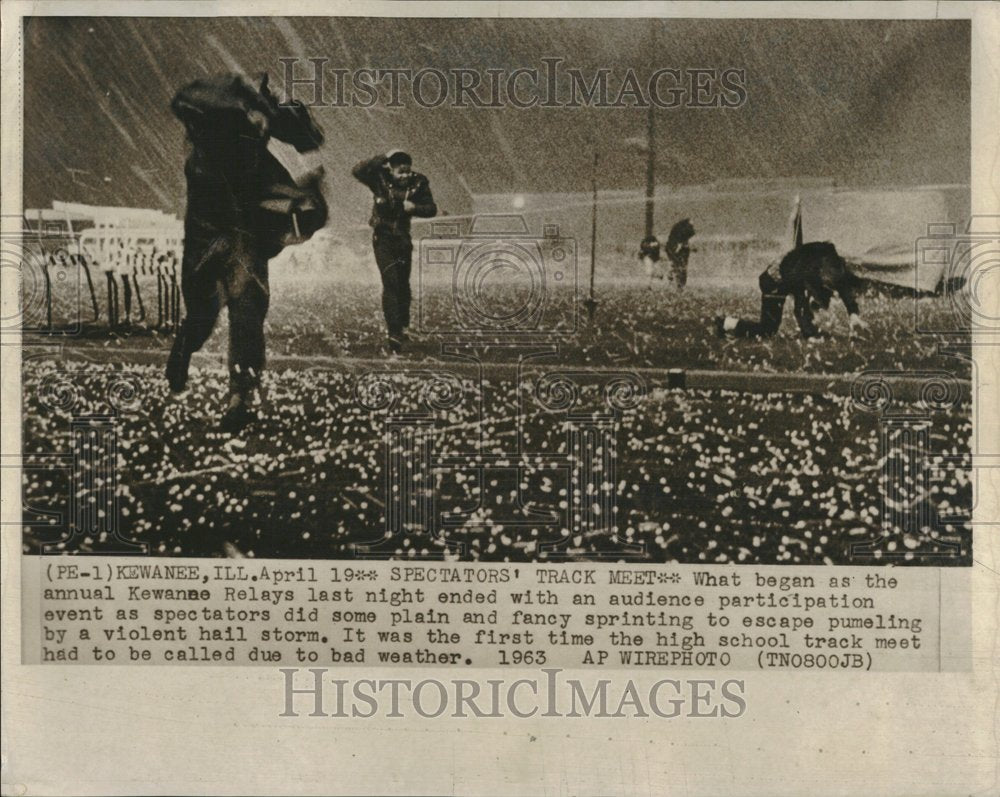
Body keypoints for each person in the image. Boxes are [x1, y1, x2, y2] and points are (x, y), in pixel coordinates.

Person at [165, 72, 327, 432]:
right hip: (207, 235)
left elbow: (309, 137)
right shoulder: (212, 130)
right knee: (203, 314)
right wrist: (245, 100)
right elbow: (186, 98)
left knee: (248, 312)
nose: (259, 126)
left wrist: (272, 107)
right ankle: (186, 345)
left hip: (243, 236)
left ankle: (241, 396)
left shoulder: (256, 151)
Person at [352, 150, 437, 353]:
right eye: (401, 171)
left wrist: (414, 208)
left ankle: (403, 324)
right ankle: (394, 332)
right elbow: (357, 170)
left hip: (403, 238)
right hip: (383, 238)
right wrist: (381, 157)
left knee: (402, 284)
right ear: (391, 169)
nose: (405, 175)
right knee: (390, 282)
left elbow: (431, 208)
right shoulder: (379, 179)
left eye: (408, 171)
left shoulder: (418, 183)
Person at [715, 241, 869, 339]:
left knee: (804, 311)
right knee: (767, 330)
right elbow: (800, 302)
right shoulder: (806, 271)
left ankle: (810, 331)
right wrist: (809, 333)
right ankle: (725, 323)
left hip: (791, 275)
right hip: (774, 281)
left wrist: (854, 315)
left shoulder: (834, 267)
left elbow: (844, 289)